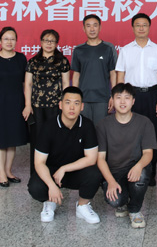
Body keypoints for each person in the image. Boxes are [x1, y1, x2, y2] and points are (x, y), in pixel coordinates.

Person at [27, 86, 102, 224]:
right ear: (60, 105)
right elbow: (39, 162)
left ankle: (83, 205)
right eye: (68, 103)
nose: (72, 107)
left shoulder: (87, 125)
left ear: (82, 106)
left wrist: (64, 168)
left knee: (95, 173)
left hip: (75, 171)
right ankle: (50, 202)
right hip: (52, 172)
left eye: (76, 103)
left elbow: (91, 159)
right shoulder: (48, 127)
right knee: (35, 187)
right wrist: (51, 186)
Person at [115, 13, 157, 186]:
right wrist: (120, 99)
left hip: (151, 95)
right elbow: (120, 75)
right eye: (137, 25)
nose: (141, 28)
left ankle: (150, 173)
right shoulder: (126, 50)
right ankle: (128, 170)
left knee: (151, 134)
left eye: (144, 25)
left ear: (149, 27)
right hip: (130, 96)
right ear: (133, 28)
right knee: (129, 133)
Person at [96, 83, 157, 229]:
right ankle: (123, 202)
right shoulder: (103, 125)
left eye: (127, 98)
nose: (122, 102)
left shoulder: (144, 122)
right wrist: (110, 181)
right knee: (116, 201)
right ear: (112, 100)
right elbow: (100, 159)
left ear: (133, 101)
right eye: (118, 97)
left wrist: (139, 166)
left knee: (141, 176)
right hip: (114, 172)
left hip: (134, 168)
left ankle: (135, 209)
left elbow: (148, 153)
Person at [0, 26, 29, 187]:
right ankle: (1, 173)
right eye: (6, 39)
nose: (9, 42)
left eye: (12, 39)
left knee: (12, 139)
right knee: (0, 140)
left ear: (16, 41)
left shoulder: (21, 58)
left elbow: (25, 83)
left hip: (17, 103)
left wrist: (27, 104)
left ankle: (8, 171)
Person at [24, 29, 70, 175]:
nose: (49, 44)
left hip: (56, 106)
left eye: (52, 41)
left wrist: (65, 104)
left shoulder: (62, 61)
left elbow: (65, 83)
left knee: (56, 138)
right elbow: (28, 84)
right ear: (41, 42)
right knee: (37, 139)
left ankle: (55, 172)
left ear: (56, 43)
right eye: (46, 40)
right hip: (36, 107)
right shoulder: (33, 62)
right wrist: (27, 105)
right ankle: (36, 173)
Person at [71, 14, 117, 124]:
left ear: (100, 27)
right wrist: (75, 97)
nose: (92, 29)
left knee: (100, 129)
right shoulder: (78, 50)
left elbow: (113, 73)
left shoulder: (108, 48)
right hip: (83, 98)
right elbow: (76, 75)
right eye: (88, 26)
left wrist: (114, 95)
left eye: (95, 25)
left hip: (102, 98)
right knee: (84, 128)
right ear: (84, 28)